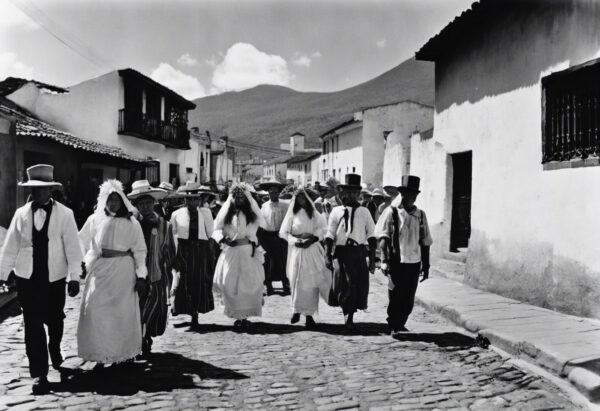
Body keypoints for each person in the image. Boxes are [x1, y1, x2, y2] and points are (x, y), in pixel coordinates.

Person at [0, 164, 82, 394]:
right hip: (28, 278)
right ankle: (39, 374)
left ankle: (55, 347)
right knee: (32, 325)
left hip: (54, 278)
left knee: (55, 320)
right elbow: (10, 246)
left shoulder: (65, 214)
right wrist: (2, 274)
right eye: (34, 189)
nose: (38, 193)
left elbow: (74, 248)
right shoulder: (20, 214)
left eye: (42, 189)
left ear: (50, 190)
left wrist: (74, 277)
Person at [78, 180, 148, 367]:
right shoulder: (94, 220)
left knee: (121, 314)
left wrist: (141, 275)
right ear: (104, 201)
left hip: (124, 273)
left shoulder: (132, 223)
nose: (114, 203)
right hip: (100, 270)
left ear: (122, 201)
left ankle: (122, 354)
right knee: (94, 310)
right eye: (111, 199)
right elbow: (81, 241)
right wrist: (81, 264)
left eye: (117, 199)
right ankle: (101, 353)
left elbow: (140, 250)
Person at [376, 175, 432, 335]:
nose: (411, 197)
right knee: (395, 294)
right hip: (396, 261)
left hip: (414, 262)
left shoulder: (420, 215)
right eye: (408, 194)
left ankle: (401, 322)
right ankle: (394, 324)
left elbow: (425, 241)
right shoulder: (392, 212)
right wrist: (384, 260)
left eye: (414, 194)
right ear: (402, 194)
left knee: (408, 297)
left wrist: (426, 265)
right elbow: (384, 237)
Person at [127, 180, 176, 356]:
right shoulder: (130, 224)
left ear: (154, 203)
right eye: (142, 203)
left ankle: (147, 336)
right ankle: (138, 340)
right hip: (133, 274)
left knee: (153, 308)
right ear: (136, 205)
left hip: (156, 274)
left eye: (148, 202)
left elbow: (169, 251)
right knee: (136, 309)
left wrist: (170, 272)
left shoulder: (164, 225)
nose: (146, 206)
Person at [325, 174, 376, 328]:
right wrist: (327, 255)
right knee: (341, 284)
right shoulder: (336, 211)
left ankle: (350, 316)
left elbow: (372, 236)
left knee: (355, 284)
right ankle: (345, 308)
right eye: (348, 192)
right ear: (343, 193)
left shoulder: (364, 212)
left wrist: (372, 259)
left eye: (355, 193)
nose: (351, 195)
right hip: (341, 253)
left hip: (358, 253)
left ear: (358, 194)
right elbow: (330, 234)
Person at [212, 183, 266, 329]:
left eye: (242, 197)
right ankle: (236, 314)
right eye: (237, 197)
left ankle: (245, 315)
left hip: (247, 252)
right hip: (231, 252)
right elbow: (216, 229)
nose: (239, 199)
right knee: (230, 283)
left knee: (249, 283)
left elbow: (256, 232)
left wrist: (252, 242)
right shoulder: (226, 215)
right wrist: (224, 239)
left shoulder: (251, 215)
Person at [279, 188, 330, 328]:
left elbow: (322, 230)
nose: (301, 201)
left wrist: (313, 238)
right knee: (296, 280)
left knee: (310, 283)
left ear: (307, 199)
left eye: (303, 198)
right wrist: (294, 241)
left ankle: (309, 315)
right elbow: (284, 232)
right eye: (298, 198)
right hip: (297, 249)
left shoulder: (314, 214)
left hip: (311, 249)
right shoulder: (292, 215)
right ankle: (296, 310)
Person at [169, 182, 215, 330]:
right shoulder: (176, 214)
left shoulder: (206, 213)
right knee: (183, 282)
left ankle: (195, 315)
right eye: (189, 199)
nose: (192, 202)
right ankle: (184, 311)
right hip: (183, 250)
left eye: (195, 199)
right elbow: (172, 234)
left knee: (199, 282)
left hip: (200, 250)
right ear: (185, 200)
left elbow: (210, 233)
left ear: (199, 200)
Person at [257, 179, 290, 295]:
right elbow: (261, 221)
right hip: (267, 237)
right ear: (268, 193)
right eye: (271, 192)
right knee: (268, 261)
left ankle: (285, 284)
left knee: (282, 260)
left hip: (280, 236)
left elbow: (288, 220)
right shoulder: (264, 206)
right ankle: (268, 285)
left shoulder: (285, 205)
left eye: (276, 192)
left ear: (279, 193)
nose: (273, 194)